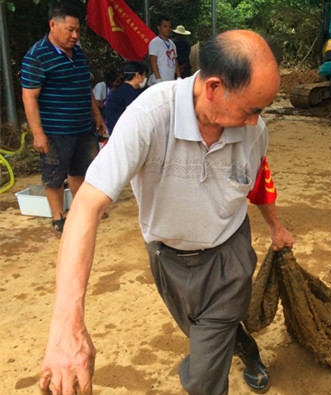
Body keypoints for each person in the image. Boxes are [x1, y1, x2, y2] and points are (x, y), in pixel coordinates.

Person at [38, 30, 294, 395]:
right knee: (202, 331)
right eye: (251, 109)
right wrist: (67, 326)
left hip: (228, 254)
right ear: (214, 88)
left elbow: (255, 184)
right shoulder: (149, 117)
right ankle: (245, 348)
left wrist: (276, 227)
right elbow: (85, 206)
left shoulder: (256, 132)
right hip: (168, 259)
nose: (256, 122)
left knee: (205, 378)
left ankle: (214, 357)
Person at [20, 4, 105, 236]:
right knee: (54, 174)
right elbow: (29, 96)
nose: (75, 36)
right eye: (70, 30)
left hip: (82, 126)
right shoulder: (37, 55)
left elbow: (84, 87)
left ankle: (79, 209)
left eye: (77, 30)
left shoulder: (78, 52)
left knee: (81, 170)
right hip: (55, 130)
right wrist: (38, 133)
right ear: (53, 25)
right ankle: (58, 217)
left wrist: (97, 115)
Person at [104, 61, 148, 135]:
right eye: (144, 75)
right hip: (121, 130)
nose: (145, 78)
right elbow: (135, 113)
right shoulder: (127, 91)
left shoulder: (125, 88)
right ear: (137, 75)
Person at [148, 15, 180, 85]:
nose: (168, 29)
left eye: (169, 27)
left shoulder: (172, 44)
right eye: (165, 26)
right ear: (159, 28)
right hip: (159, 81)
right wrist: (158, 79)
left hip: (170, 80)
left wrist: (179, 76)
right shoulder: (155, 42)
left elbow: (175, 60)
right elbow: (153, 61)